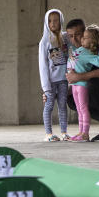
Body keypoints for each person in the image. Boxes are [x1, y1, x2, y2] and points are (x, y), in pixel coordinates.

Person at [67, 25, 99, 142]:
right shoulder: (80, 49)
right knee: (79, 109)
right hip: (75, 84)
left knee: (83, 108)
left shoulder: (89, 53)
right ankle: (81, 131)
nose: (82, 39)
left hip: (82, 85)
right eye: (83, 37)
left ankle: (85, 133)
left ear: (93, 41)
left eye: (85, 38)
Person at [38, 9, 71, 141]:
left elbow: (71, 54)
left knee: (63, 106)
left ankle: (64, 133)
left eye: (56, 20)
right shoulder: (44, 41)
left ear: (61, 21)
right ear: (46, 22)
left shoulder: (65, 38)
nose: (53, 23)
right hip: (50, 82)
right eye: (50, 21)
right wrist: (45, 87)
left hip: (63, 80)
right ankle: (48, 134)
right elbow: (43, 65)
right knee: (49, 106)